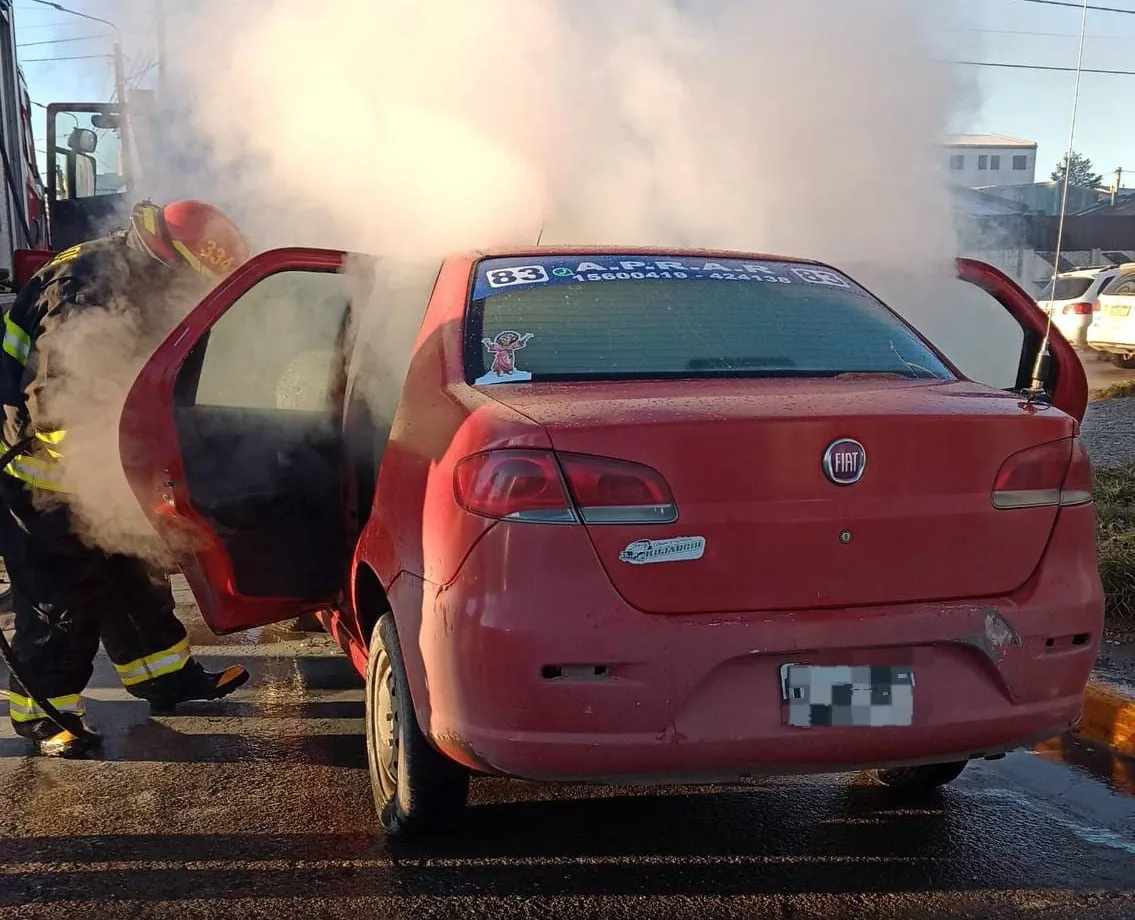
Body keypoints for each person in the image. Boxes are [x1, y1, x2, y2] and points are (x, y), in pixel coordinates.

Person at [1, 199, 253, 757]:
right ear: (169, 258)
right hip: (45, 473)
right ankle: (47, 715)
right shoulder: (86, 286)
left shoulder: (145, 279)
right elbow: (57, 399)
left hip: (109, 468)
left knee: (136, 573)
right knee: (59, 599)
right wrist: (108, 470)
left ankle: (163, 678)